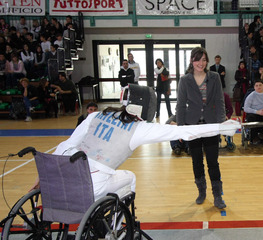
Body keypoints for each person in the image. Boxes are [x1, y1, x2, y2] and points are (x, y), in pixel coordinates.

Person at [31, 104, 239, 201]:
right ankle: (118, 227)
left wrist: (45, 176)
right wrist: (221, 128)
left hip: (59, 178)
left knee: (76, 155)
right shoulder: (138, 128)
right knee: (129, 178)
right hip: (89, 185)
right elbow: (183, 131)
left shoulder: (94, 116)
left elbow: (65, 146)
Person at [176, 47, 228, 209]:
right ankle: (201, 191)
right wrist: (180, 128)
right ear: (192, 60)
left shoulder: (214, 77)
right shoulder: (185, 80)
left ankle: (217, 195)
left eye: (204, 60)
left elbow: (220, 101)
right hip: (192, 127)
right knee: (197, 161)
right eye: (198, 59)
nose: (201, 63)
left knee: (213, 162)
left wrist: (221, 124)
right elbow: (180, 105)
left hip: (211, 125)